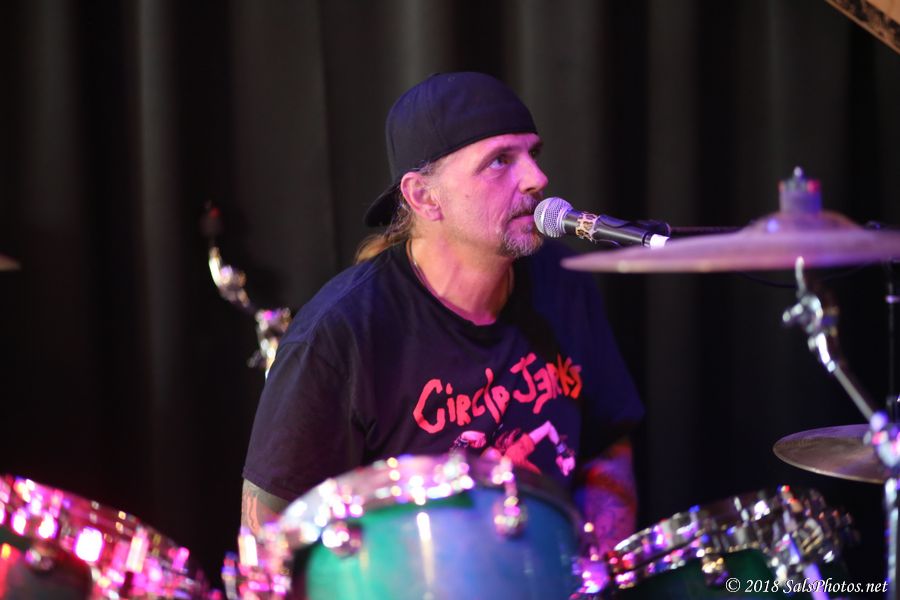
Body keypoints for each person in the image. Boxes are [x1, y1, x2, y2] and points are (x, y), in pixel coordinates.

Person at [241, 72, 644, 554]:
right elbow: (265, 540)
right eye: (500, 161)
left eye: (532, 154)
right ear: (424, 197)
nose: (537, 179)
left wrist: (594, 568)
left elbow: (606, 447)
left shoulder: (564, 284)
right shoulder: (339, 336)